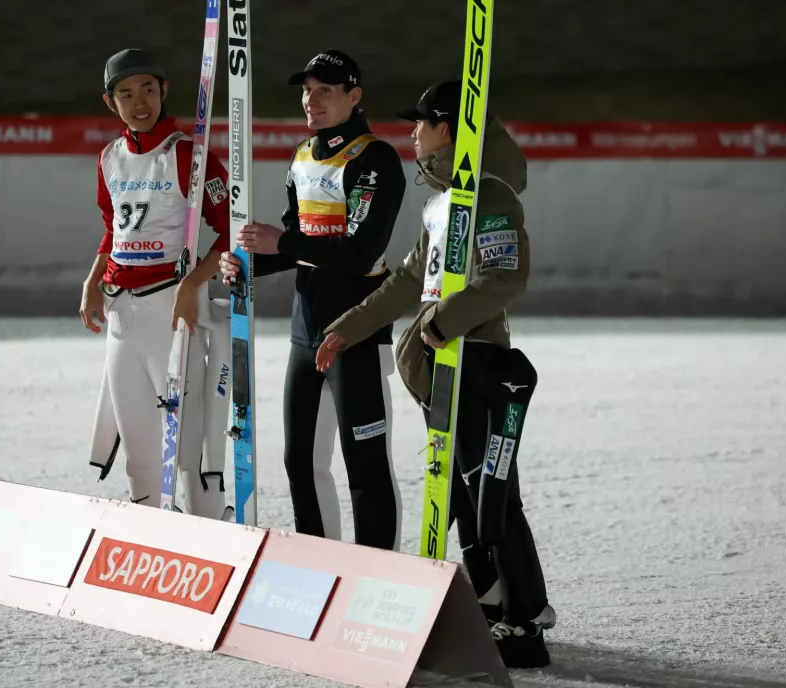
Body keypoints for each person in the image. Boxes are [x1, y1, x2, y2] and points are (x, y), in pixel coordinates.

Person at [315, 80, 555, 668]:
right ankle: (493, 606)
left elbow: (505, 278)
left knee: (490, 492)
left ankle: (525, 621)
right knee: (460, 492)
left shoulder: (490, 196)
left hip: (475, 364)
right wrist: (349, 324)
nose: (412, 133)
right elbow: (405, 280)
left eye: (420, 123)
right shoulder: (442, 202)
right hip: (438, 368)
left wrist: (441, 325)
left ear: (447, 129)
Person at [219, 50, 406, 551]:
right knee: (299, 461)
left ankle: (376, 574)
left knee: (365, 466)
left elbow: (361, 250)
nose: (311, 99)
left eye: (325, 90)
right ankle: (319, 569)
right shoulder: (303, 156)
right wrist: (248, 263)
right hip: (306, 333)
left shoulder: (375, 158)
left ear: (354, 95)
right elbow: (299, 243)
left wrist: (280, 243)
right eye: (306, 90)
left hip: (358, 334)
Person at [81, 48, 232, 521]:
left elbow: (231, 230)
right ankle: (153, 549)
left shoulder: (189, 153)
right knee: (141, 460)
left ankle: (211, 544)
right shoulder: (109, 157)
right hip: (122, 319)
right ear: (111, 102)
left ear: (164, 91)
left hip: (173, 314)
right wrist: (93, 278)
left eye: (148, 88)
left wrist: (193, 283)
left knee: (187, 455)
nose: (138, 101)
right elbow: (113, 227)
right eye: (125, 93)